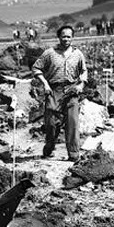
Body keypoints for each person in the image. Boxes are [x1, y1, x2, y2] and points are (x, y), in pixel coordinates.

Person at [32, 24, 88, 161]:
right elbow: (36, 68)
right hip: (54, 90)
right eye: (63, 36)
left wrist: (81, 84)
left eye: (69, 37)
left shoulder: (77, 54)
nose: (66, 39)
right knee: (51, 123)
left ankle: (73, 154)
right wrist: (45, 84)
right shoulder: (50, 53)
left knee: (72, 123)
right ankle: (49, 148)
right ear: (59, 37)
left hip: (71, 90)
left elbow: (84, 71)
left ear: (72, 38)